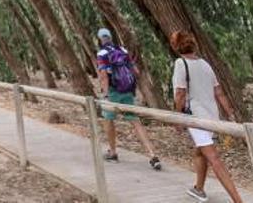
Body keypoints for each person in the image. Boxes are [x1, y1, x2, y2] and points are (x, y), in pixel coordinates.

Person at [171, 30, 243, 203]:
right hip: (212, 116)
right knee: (200, 151)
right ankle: (199, 189)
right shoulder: (205, 64)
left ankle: (238, 201)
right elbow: (219, 92)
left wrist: (177, 118)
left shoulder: (181, 63)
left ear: (175, 46)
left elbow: (180, 93)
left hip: (197, 118)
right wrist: (230, 114)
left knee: (214, 158)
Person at [95, 28, 161, 170]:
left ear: (100, 39)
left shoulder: (102, 53)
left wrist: (105, 95)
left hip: (113, 92)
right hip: (127, 91)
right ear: (111, 37)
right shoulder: (123, 50)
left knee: (109, 120)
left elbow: (103, 76)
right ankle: (152, 155)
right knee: (135, 122)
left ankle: (113, 152)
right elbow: (135, 71)